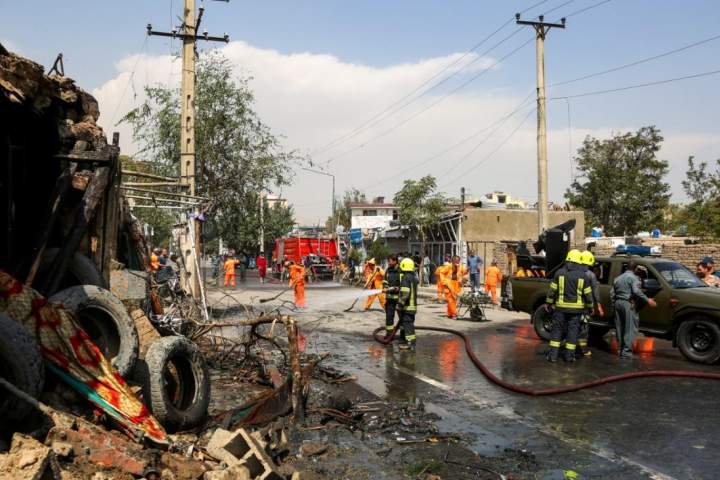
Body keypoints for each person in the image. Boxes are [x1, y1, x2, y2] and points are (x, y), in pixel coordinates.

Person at [544, 250, 594, 363]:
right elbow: (588, 295)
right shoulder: (583, 276)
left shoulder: (559, 273)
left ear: (568, 260)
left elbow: (552, 291)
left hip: (560, 308)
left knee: (557, 330)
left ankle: (553, 356)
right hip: (576, 311)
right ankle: (569, 357)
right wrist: (590, 308)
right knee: (573, 331)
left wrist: (548, 303)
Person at [611, 261, 657, 359]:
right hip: (628, 304)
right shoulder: (633, 278)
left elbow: (612, 293)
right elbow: (636, 291)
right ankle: (626, 352)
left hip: (618, 303)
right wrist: (647, 299)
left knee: (620, 328)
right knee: (630, 328)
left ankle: (620, 350)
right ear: (635, 269)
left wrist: (614, 305)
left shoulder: (617, 278)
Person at [576, 251, 605, 357]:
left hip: (573, 304)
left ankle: (570, 347)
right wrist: (598, 306)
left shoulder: (574, 272)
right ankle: (583, 350)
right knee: (584, 328)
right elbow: (595, 292)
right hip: (584, 306)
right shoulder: (591, 275)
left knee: (574, 326)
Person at [397, 257, 419, 350]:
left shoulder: (406, 278)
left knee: (408, 325)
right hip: (412, 307)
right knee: (408, 324)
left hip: (407, 307)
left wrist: (400, 304)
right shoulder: (413, 277)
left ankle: (410, 343)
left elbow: (405, 293)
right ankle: (408, 341)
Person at [382, 254, 402, 339]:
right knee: (389, 317)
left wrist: (397, 288)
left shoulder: (401, 271)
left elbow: (404, 284)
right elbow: (385, 281)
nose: (388, 263)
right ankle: (389, 334)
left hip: (399, 299)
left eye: (389, 261)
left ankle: (403, 334)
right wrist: (386, 287)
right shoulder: (388, 270)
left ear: (395, 261)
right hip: (390, 299)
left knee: (402, 318)